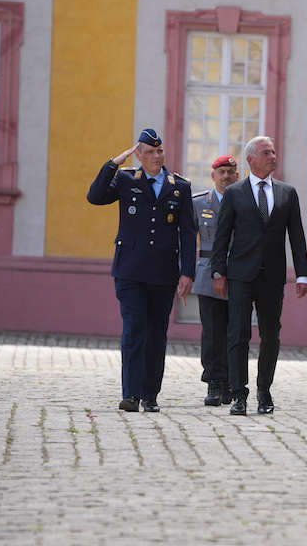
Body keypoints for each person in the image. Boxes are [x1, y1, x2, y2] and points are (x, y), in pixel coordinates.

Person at [86, 128, 196, 412]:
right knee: (134, 329)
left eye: (160, 152)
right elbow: (95, 197)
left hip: (163, 273)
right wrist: (113, 164)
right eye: (150, 152)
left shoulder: (179, 186)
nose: (156, 157)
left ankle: (150, 395)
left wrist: (188, 273)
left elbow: (187, 232)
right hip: (130, 272)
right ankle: (131, 394)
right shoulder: (125, 180)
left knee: (156, 334)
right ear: (139, 155)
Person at [210, 136, 307, 416]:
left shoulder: (287, 193)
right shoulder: (234, 193)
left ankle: (264, 391)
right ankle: (239, 394)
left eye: (275, 152)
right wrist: (218, 271)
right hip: (241, 274)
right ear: (251, 159)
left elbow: (297, 236)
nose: (273, 156)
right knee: (238, 334)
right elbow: (222, 236)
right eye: (267, 152)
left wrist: (302, 274)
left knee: (271, 336)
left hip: (273, 277)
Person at [191, 154, 239, 406]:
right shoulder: (199, 203)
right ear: (213, 176)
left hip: (237, 274)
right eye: (221, 172)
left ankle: (231, 382)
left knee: (234, 332)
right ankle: (213, 381)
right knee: (211, 332)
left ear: (237, 176)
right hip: (208, 273)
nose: (226, 176)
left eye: (231, 172)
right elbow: (187, 241)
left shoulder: (246, 202)